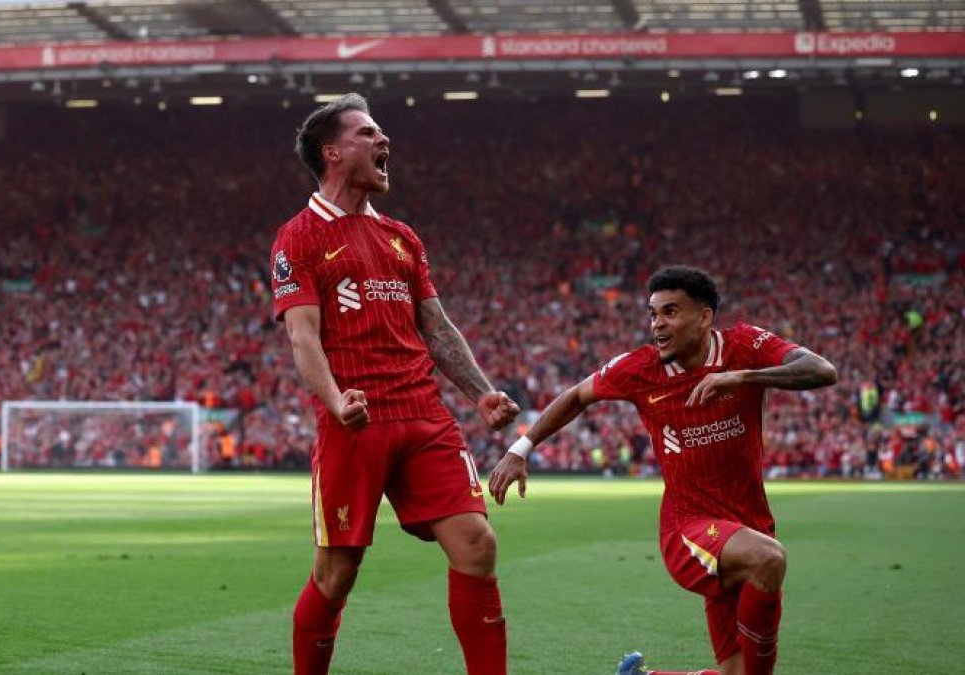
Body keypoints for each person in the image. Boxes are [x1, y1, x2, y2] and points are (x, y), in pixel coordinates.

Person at [272, 93, 520, 675]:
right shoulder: (299, 237)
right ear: (332, 152)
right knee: (337, 574)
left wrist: (479, 392)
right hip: (354, 422)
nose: (385, 142)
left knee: (478, 545)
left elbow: (436, 327)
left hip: (424, 416)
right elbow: (303, 339)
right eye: (369, 133)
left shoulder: (403, 237)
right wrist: (336, 401)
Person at [489, 266, 837, 675]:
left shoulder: (744, 346)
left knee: (735, 672)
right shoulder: (639, 369)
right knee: (769, 560)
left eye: (671, 312)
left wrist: (742, 378)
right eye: (653, 314)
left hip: (745, 527)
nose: (658, 324)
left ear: (704, 317)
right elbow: (577, 395)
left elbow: (822, 371)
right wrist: (520, 448)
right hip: (688, 529)